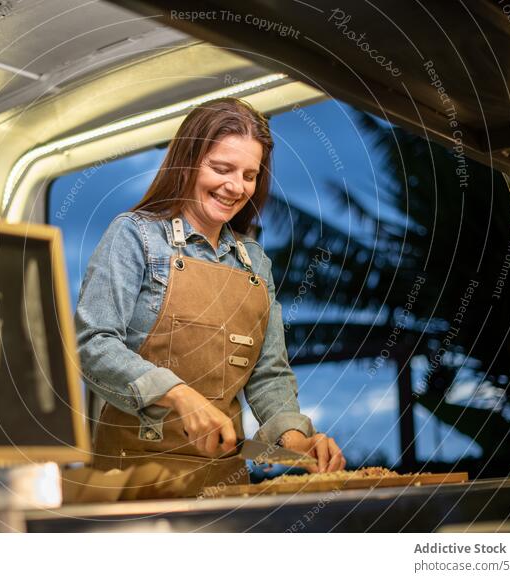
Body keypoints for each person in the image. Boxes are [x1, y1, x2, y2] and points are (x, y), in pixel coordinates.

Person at [75, 97, 345, 495]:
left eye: (249, 175)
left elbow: (269, 375)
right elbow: (92, 344)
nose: (236, 187)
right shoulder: (134, 236)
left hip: (226, 486)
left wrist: (297, 443)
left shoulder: (254, 262)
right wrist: (180, 395)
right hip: (132, 482)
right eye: (221, 169)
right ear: (186, 161)